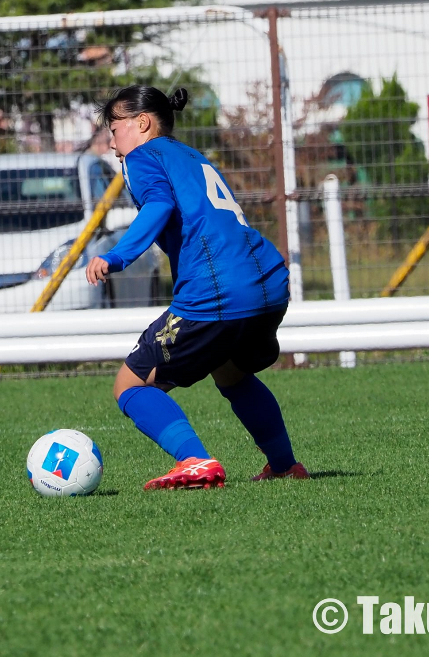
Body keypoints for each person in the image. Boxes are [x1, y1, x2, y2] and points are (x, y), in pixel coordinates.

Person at [84, 85, 308, 490]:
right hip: (268, 281)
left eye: (113, 130)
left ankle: (195, 460)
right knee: (230, 371)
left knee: (129, 385)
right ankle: (284, 465)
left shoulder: (141, 156)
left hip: (219, 288)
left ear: (142, 123)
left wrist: (116, 256)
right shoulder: (191, 155)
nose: (112, 144)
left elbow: (159, 205)